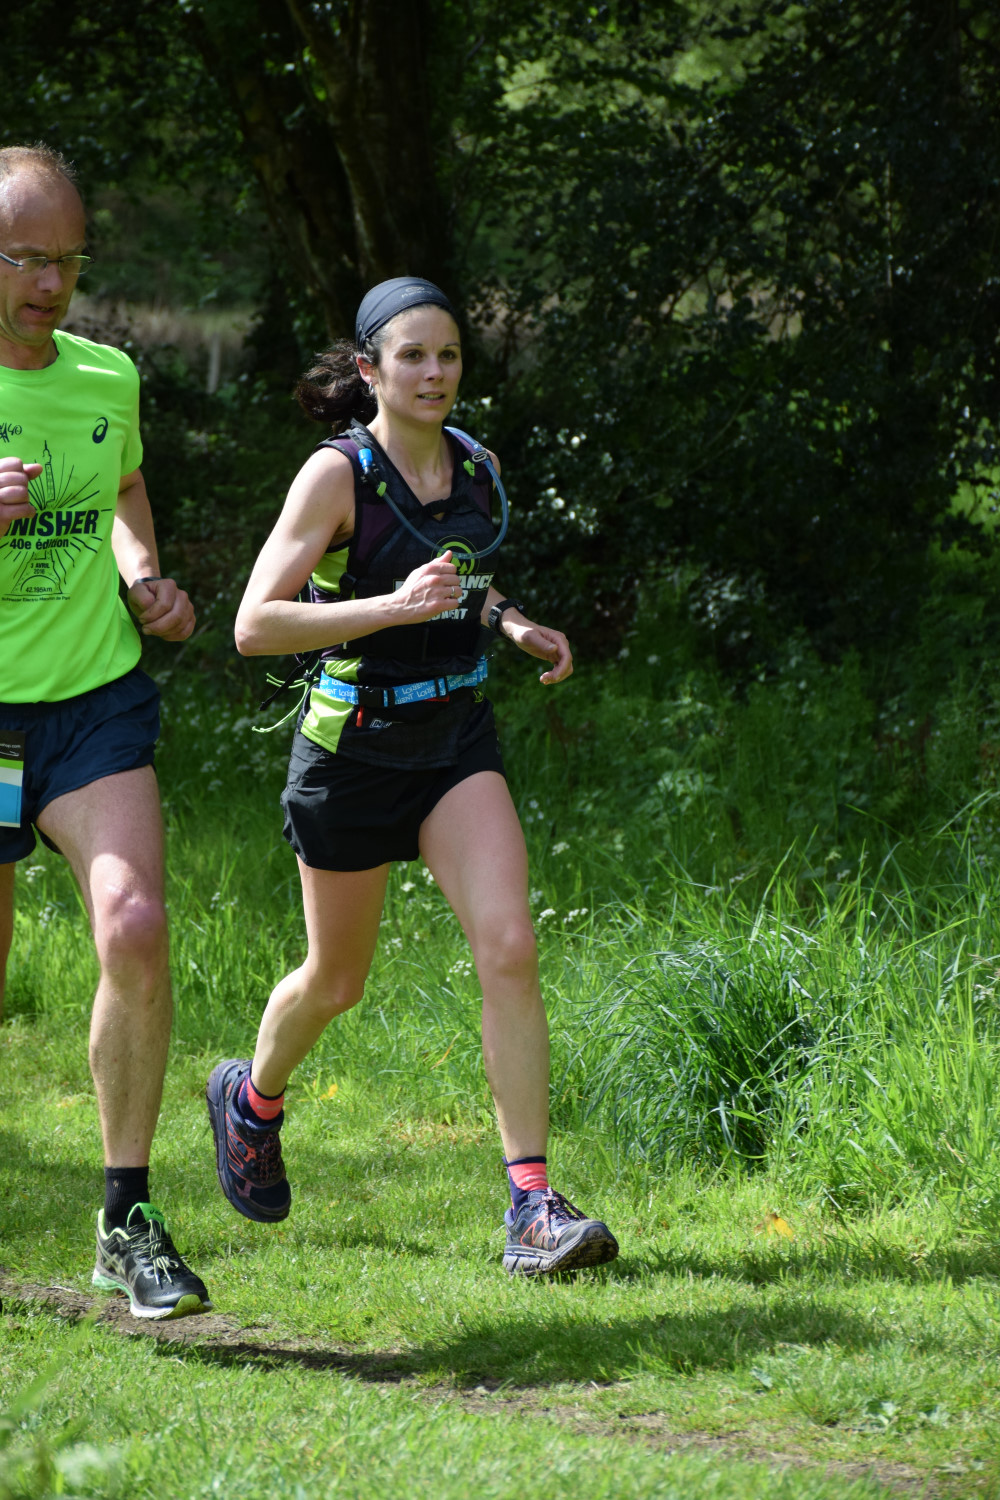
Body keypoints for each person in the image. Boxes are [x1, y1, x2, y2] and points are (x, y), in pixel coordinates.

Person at [207, 276, 618, 1276]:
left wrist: (509, 622)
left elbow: (460, 574)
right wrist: (391, 607)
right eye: (413, 356)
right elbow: (255, 625)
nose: (434, 373)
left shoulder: (477, 466)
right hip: (350, 754)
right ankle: (251, 1099)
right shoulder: (336, 476)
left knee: (509, 945)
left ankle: (531, 1206)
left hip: (453, 743)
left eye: (449, 356)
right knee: (336, 981)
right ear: (370, 369)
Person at [0, 144, 210, 1319]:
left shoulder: (105, 377)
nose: (51, 283)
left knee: (134, 926)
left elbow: (124, 488)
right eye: (26, 258)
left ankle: (127, 1221)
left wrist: (143, 577)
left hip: (91, 703)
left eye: (69, 260)